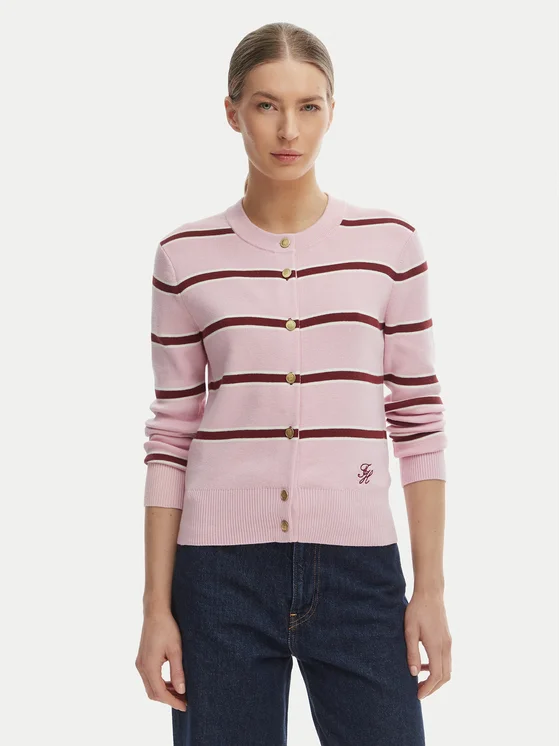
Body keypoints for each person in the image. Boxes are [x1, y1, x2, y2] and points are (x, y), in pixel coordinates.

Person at [135, 21, 452, 746]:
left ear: (332, 111)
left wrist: (430, 590)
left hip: (360, 572)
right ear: (232, 113)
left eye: (308, 106)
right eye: (266, 105)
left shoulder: (390, 247)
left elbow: (419, 421)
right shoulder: (184, 256)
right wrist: (156, 607)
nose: (288, 130)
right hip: (218, 579)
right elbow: (171, 436)